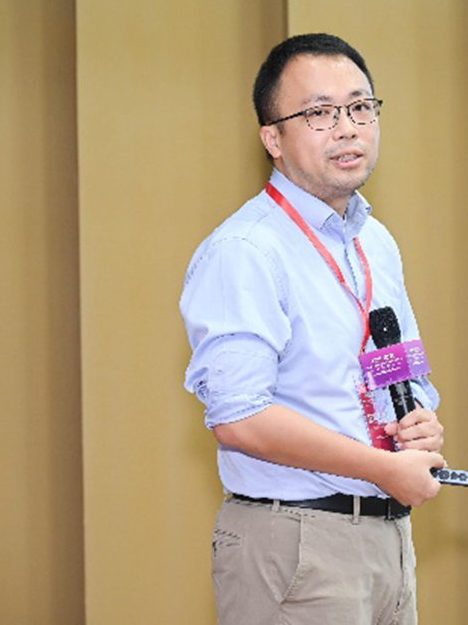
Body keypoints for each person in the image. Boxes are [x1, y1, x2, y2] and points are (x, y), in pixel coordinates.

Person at [180, 33, 446, 624]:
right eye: (319, 114)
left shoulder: (374, 241)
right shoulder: (246, 250)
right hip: (297, 541)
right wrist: (384, 468)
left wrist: (418, 421)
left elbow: (396, 366)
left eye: (360, 107)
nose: (347, 129)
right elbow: (240, 418)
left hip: (387, 538)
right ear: (272, 139)